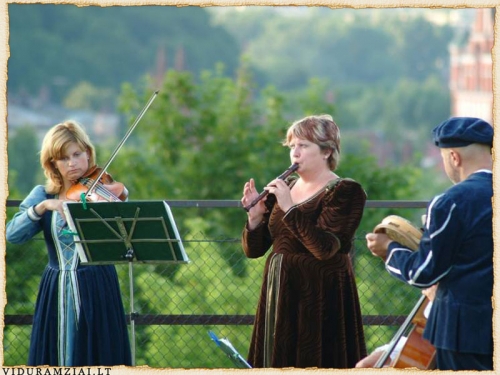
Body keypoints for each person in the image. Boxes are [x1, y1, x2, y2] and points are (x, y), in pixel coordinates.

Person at [366, 117, 493, 371]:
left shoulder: (451, 201)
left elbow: (423, 273)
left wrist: (389, 250)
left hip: (463, 334)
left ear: (454, 157)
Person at [241, 114, 367, 368]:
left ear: (327, 151)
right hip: (281, 290)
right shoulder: (286, 188)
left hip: (320, 294)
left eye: (303, 146)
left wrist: (289, 208)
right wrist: (255, 219)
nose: (295, 153)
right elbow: (255, 250)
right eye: (292, 146)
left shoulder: (345, 191)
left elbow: (325, 248)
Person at [6, 120, 132, 366]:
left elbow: (126, 234)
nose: (72, 163)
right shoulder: (43, 195)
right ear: (52, 163)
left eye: (76, 154)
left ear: (88, 153)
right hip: (57, 287)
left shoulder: (103, 191)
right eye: (63, 158)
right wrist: (44, 207)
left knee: (100, 355)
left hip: (98, 285)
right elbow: (12, 235)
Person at [355, 284, 437, 368]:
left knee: (395, 367)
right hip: (418, 341)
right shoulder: (436, 280)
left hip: (438, 345)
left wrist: (438, 301)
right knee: (363, 366)